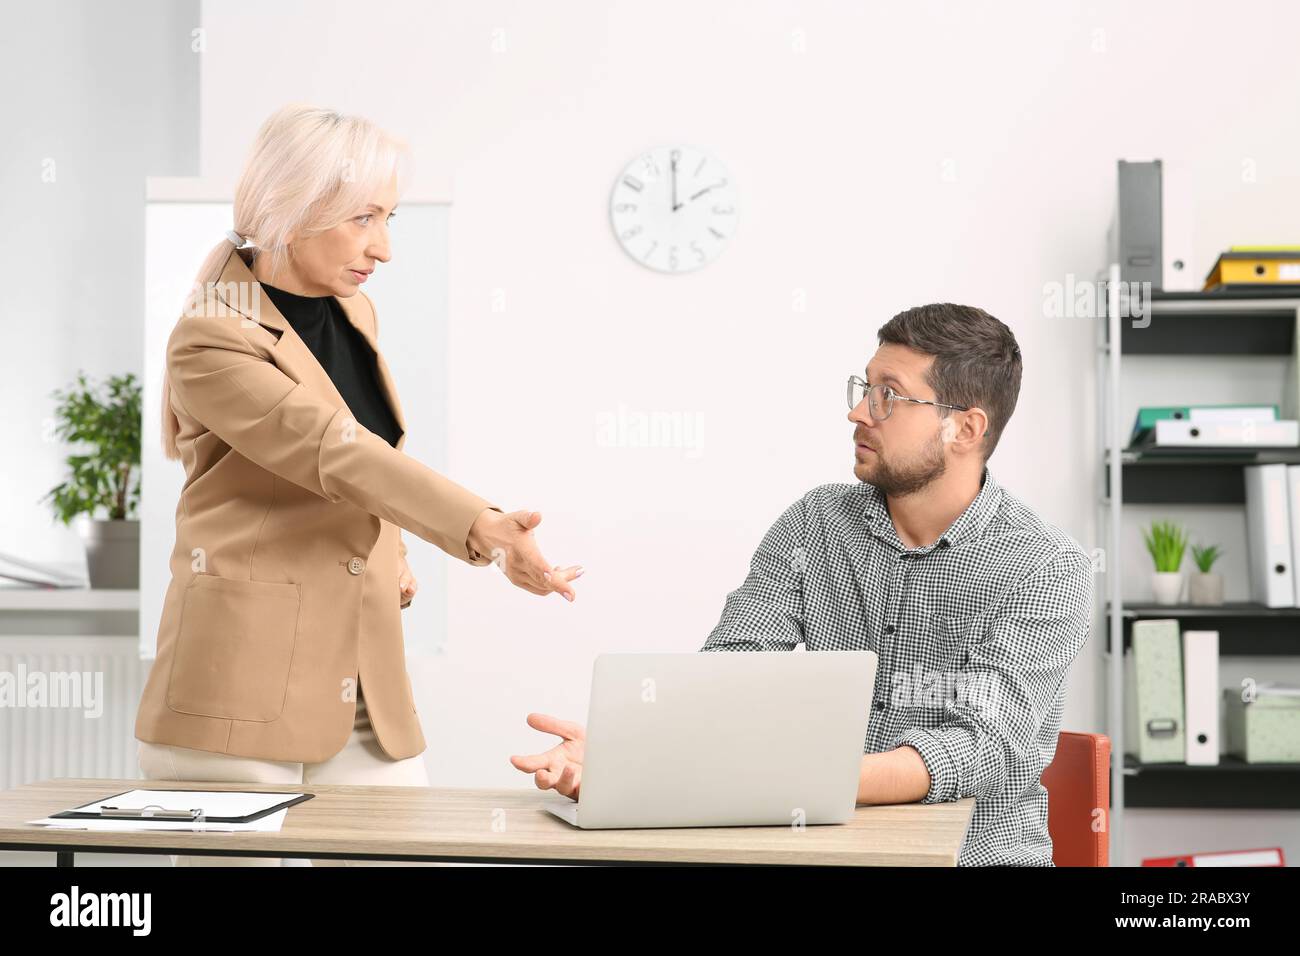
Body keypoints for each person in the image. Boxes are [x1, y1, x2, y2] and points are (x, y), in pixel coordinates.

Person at [136, 104, 581, 866]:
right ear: (291, 206)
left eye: (391, 218)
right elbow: (330, 450)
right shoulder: (211, 333)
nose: (384, 246)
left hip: (364, 687)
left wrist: (395, 551)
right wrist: (483, 526)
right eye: (363, 218)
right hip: (240, 689)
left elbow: (360, 464)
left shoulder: (354, 310)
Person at [511, 303, 1094, 867]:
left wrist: (785, 775)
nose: (859, 413)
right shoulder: (815, 523)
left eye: (888, 396)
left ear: (963, 428)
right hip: (822, 854)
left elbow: (979, 747)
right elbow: (732, 675)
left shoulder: (1045, 565)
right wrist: (635, 760)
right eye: (863, 388)